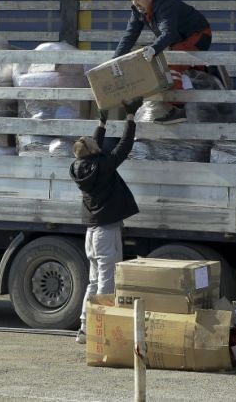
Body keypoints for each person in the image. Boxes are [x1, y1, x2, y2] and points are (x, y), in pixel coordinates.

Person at [70, 98, 143, 344]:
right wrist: (131, 117)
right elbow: (124, 146)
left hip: (91, 234)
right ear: (93, 152)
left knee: (93, 281)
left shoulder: (81, 166)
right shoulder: (103, 166)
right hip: (105, 232)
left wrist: (102, 121)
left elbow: (94, 144)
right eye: (94, 143)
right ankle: (99, 329)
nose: (96, 143)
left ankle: (84, 328)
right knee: (106, 281)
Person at [113, 0, 212, 124]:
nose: (135, 3)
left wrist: (153, 49)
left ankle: (179, 109)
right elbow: (129, 36)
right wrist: (114, 60)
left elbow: (169, 33)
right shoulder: (138, 11)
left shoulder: (166, 5)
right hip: (179, 39)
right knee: (167, 61)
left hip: (199, 34)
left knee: (170, 62)